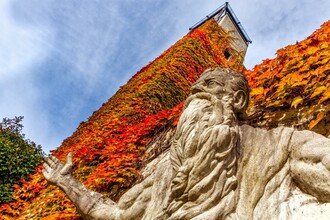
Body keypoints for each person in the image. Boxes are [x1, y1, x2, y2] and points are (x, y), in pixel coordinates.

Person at [43, 67, 330, 219]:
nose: (196, 95)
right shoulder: (164, 173)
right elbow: (117, 214)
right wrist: (68, 184)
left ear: (238, 100)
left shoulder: (281, 145)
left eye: (210, 88)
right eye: (194, 91)